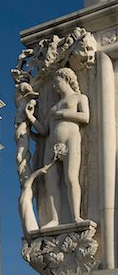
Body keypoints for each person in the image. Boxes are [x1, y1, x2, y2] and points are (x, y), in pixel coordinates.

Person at [25, 67, 89, 227]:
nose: (54, 85)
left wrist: (64, 115)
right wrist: (31, 118)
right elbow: (44, 130)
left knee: (70, 177)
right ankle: (55, 219)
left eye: (57, 81)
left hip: (71, 140)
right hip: (51, 145)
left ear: (66, 79)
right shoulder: (54, 107)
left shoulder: (79, 98)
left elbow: (85, 117)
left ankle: (76, 216)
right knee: (51, 182)